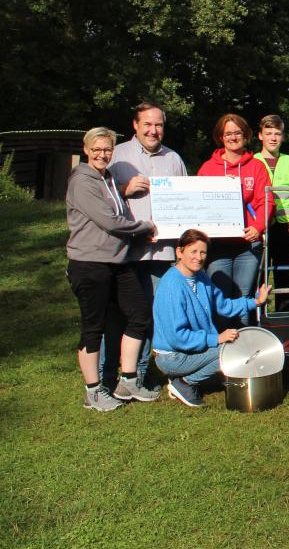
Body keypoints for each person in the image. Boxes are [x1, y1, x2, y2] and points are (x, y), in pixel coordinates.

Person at [66, 127, 159, 410]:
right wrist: (145, 227)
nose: (102, 154)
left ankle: (128, 380)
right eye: (96, 149)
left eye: (107, 149)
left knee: (139, 313)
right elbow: (110, 221)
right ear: (86, 150)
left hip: (118, 261)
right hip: (89, 263)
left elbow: (118, 211)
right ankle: (93, 391)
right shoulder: (82, 180)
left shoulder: (106, 177)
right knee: (94, 328)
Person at [106, 101, 187, 390]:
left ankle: (139, 373)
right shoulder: (116, 155)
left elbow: (184, 202)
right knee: (121, 315)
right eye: (148, 124)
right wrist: (125, 190)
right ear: (135, 125)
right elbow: (101, 199)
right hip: (125, 251)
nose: (154, 130)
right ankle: (109, 374)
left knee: (153, 312)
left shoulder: (174, 159)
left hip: (163, 251)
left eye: (159, 125)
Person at [152, 229, 272, 407]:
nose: (199, 257)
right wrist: (216, 338)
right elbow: (177, 337)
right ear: (179, 252)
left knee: (231, 349)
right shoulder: (171, 286)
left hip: (190, 349)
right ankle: (184, 383)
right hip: (172, 356)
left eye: (203, 252)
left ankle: (190, 376)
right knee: (230, 353)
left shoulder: (200, 277)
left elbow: (223, 305)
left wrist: (255, 301)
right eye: (193, 251)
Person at [197, 113, 271, 324]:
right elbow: (199, 203)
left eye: (237, 132)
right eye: (227, 133)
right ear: (221, 137)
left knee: (244, 296)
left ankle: (244, 347)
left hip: (247, 245)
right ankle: (221, 348)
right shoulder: (208, 168)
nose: (233, 137)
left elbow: (266, 201)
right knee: (219, 295)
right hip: (217, 245)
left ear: (245, 135)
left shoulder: (256, 166)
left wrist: (257, 227)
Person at [253, 114, 289, 313]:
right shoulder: (252, 161)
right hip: (260, 226)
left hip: (286, 226)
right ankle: (259, 317)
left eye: (277, 134)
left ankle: (284, 316)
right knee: (259, 276)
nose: (273, 138)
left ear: (282, 137)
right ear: (260, 136)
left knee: (284, 276)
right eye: (269, 134)